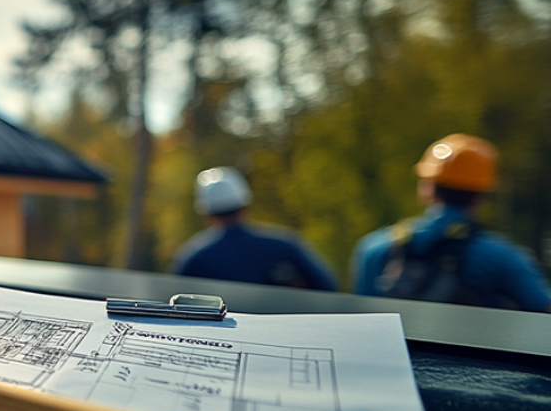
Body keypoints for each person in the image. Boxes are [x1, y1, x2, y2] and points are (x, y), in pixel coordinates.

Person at [352, 134, 551, 311]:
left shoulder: (373, 248)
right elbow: (543, 308)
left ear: (426, 188)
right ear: (480, 195)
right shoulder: (502, 258)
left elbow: (363, 320)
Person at [170, 167, 338, 291]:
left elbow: (174, 303)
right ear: (245, 205)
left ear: (206, 214)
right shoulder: (285, 245)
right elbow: (328, 287)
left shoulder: (193, 258)